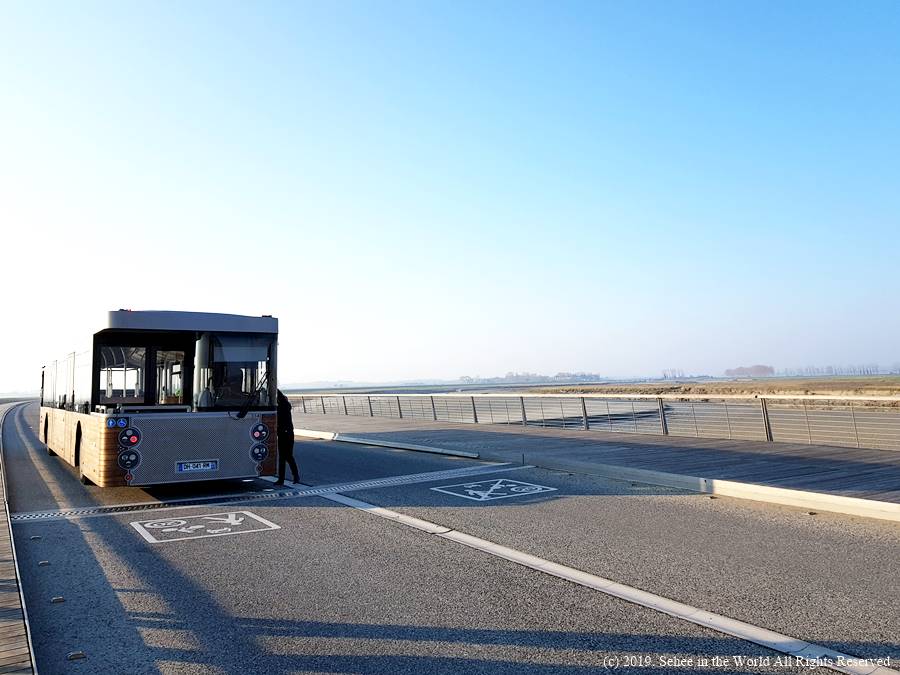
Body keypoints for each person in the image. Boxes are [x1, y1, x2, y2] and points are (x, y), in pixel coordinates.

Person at [274, 389, 300, 485]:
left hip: (284, 433)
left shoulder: (281, 406)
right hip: (287, 433)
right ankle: (290, 477)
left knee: (286, 457)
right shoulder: (285, 405)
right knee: (286, 457)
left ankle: (285, 478)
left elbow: (280, 420)